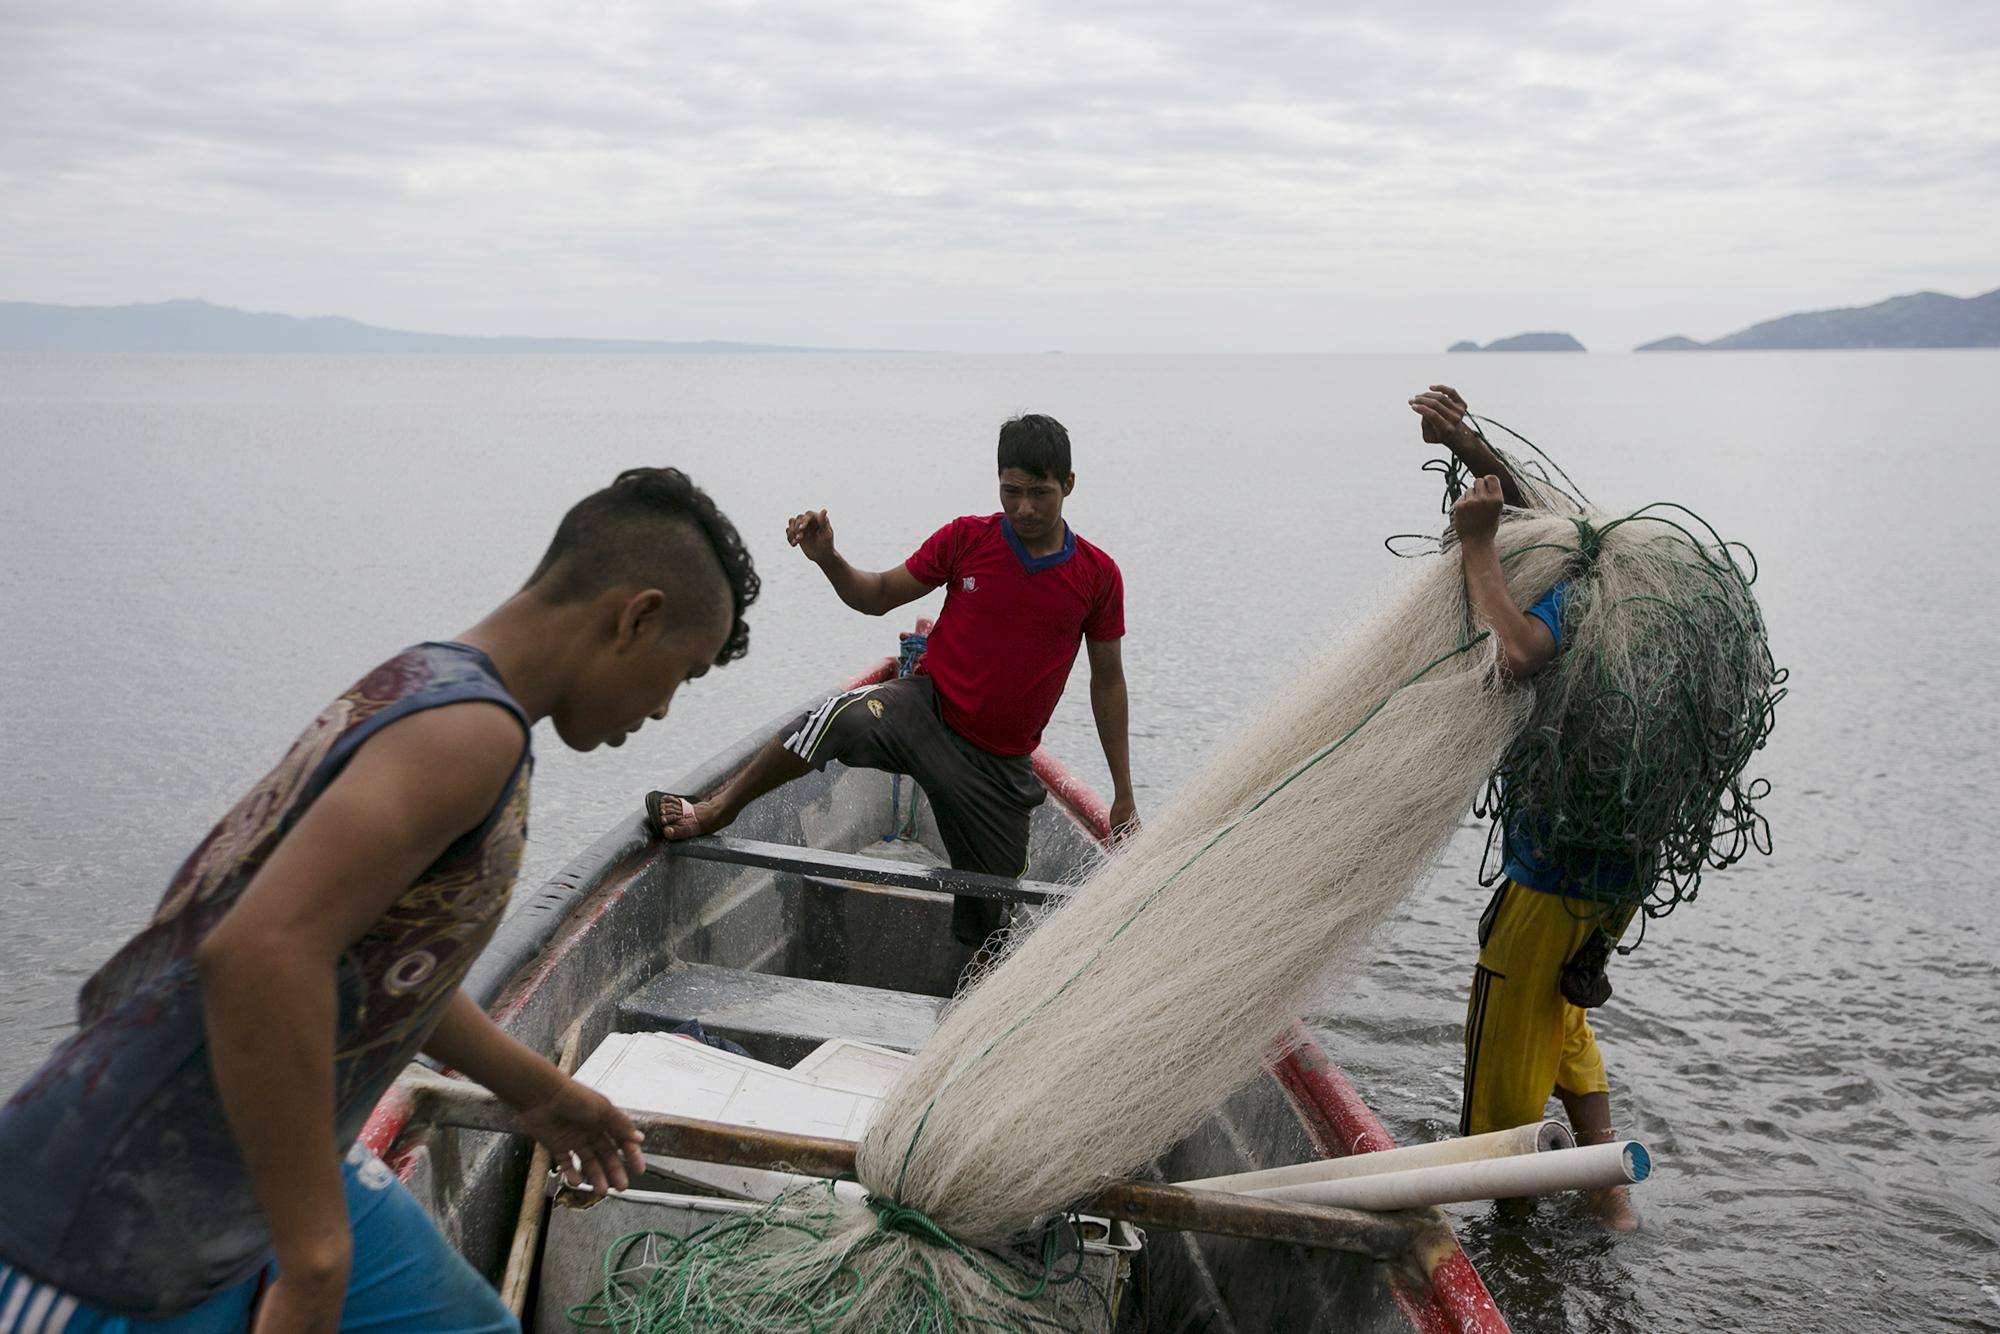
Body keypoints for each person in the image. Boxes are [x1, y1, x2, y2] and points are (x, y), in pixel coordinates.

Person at [0, 466, 760, 1332]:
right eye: (683, 674)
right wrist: (315, 1258)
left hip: (268, 1162)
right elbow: (256, 956)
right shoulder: (469, 736)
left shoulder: (430, 686)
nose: (665, 708)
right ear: (637, 615)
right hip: (110, 1218)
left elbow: (372, 961)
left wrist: (539, 1093)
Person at [648, 413, 1136, 954]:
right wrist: (829, 558)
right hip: (926, 712)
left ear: (1068, 486)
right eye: (1011, 490)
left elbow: (1107, 684)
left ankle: (964, 1018)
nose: (1023, 507)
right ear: (998, 480)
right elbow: (877, 594)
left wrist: (1123, 793)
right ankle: (716, 810)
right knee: (835, 717)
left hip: (998, 769)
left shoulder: (1097, 575)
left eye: (1040, 493)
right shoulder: (967, 539)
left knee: (992, 926)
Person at [1408, 384, 1640, 1231]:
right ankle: (1612, 1197)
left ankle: (1515, 1244)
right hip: (1619, 879)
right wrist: (1464, 441)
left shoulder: (1572, 599)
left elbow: (1518, 655)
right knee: (1563, 1016)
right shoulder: (1628, 579)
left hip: (1550, 878)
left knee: (1502, 1074)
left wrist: (1477, 550)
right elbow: (1532, 500)